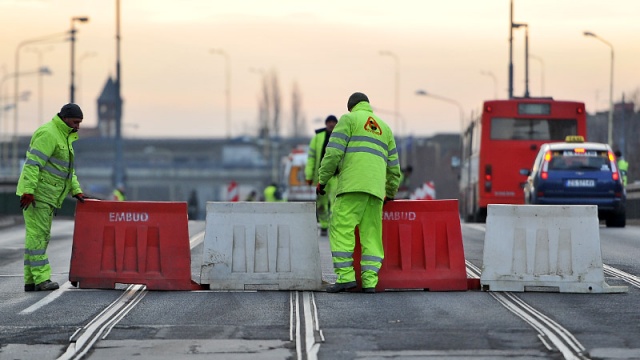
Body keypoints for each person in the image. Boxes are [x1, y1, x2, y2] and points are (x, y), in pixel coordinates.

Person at [316, 92, 401, 293]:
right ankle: (370, 282)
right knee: (371, 235)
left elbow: (333, 153)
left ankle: (346, 277)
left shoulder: (349, 120)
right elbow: (395, 168)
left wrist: (323, 180)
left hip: (351, 187)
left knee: (341, 228)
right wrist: (389, 192)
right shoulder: (385, 129)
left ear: (350, 107)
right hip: (376, 192)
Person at [16, 103, 86, 292]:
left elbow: (66, 171)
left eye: (80, 123)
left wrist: (76, 190)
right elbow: (32, 164)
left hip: (46, 195)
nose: (78, 126)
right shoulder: (48, 133)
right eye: (75, 122)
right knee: (38, 237)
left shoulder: (63, 136)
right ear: (65, 118)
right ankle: (42, 279)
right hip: (38, 195)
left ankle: (31, 280)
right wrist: (29, 190)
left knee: (37, 237)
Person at [305, 115, 339, 236]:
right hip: (321, 177)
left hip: (336, 176)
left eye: (333, 122)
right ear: (326, 124)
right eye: (329, 122)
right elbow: (311, 158)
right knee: (321, 203)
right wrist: (309, 176)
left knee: (336, 201)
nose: (331, 124)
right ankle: (324, 224)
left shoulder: (342, 136)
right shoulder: (318, 138)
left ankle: (334, 225)